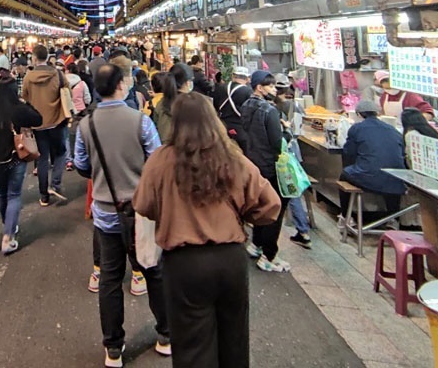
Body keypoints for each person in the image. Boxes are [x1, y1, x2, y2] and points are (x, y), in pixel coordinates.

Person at [134, 93, 281, 368]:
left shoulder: (160, 160)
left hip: (184, 263)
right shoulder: (234, 158)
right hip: (230, 259)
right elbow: (270, 204)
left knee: (192, 347)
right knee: (234, 340)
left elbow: (143, 205)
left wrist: (170, 213)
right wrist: (245, 216)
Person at [74, 64, 169, 368]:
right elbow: (157, 160)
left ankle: (113, 348)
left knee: (110, 279)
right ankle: (166, 336)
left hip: (106, 214)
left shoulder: (86, 125)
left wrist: (103, 176)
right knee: (153, 270)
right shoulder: (140, 121)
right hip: (142, 212)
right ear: (119, 85)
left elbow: (81, 165)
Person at [0, 79, 42, 254]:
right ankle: (8, 236)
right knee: (14, 195)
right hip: (15, 157)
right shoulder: (19, 109)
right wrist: (27, 103)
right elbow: (38, 118)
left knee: (2, 194)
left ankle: (7, 225)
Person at [239, 71, 291, 272]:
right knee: (274, 208)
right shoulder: (269, 111)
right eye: (270, 86)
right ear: (259, 87)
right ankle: (269, 256)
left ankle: (256, 245)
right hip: (270, 165)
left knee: (260, 204)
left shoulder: (246, 106)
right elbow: (277, 142)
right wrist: (286, 130)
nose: (274, 90)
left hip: (253, 162)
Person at [339, 99, 407, 218]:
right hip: (397, 181)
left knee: (344, 175)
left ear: (359, 114)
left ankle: (346, 217)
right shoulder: (392, 129)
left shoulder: (357, 128)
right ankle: (393, 220)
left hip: (369, 177)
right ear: (376, 113)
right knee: (389, 178)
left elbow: (349, 153)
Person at [22, 45, 71, 206]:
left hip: (38, 124)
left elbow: (25, 98)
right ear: (48, 57)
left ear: (34, 58)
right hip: (57, 121)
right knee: (60, 154)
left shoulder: (28, 77)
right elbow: (66, 90)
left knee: (42, 158)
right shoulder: (57, 73)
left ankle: (44, 196)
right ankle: (55, 184)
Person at [274, 76, 312, 250]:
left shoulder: (273, 106)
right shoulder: (295, 106)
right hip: (292, 150)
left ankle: (302, 229)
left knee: (290, 189)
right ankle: (302, 228)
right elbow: (299, 128)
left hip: (282, 153)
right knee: (293, 188)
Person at [153, 63, 193, 145]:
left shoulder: (161, 104)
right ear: (187, 83)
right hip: (187, 152)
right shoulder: (193, 104)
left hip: (164, 152)